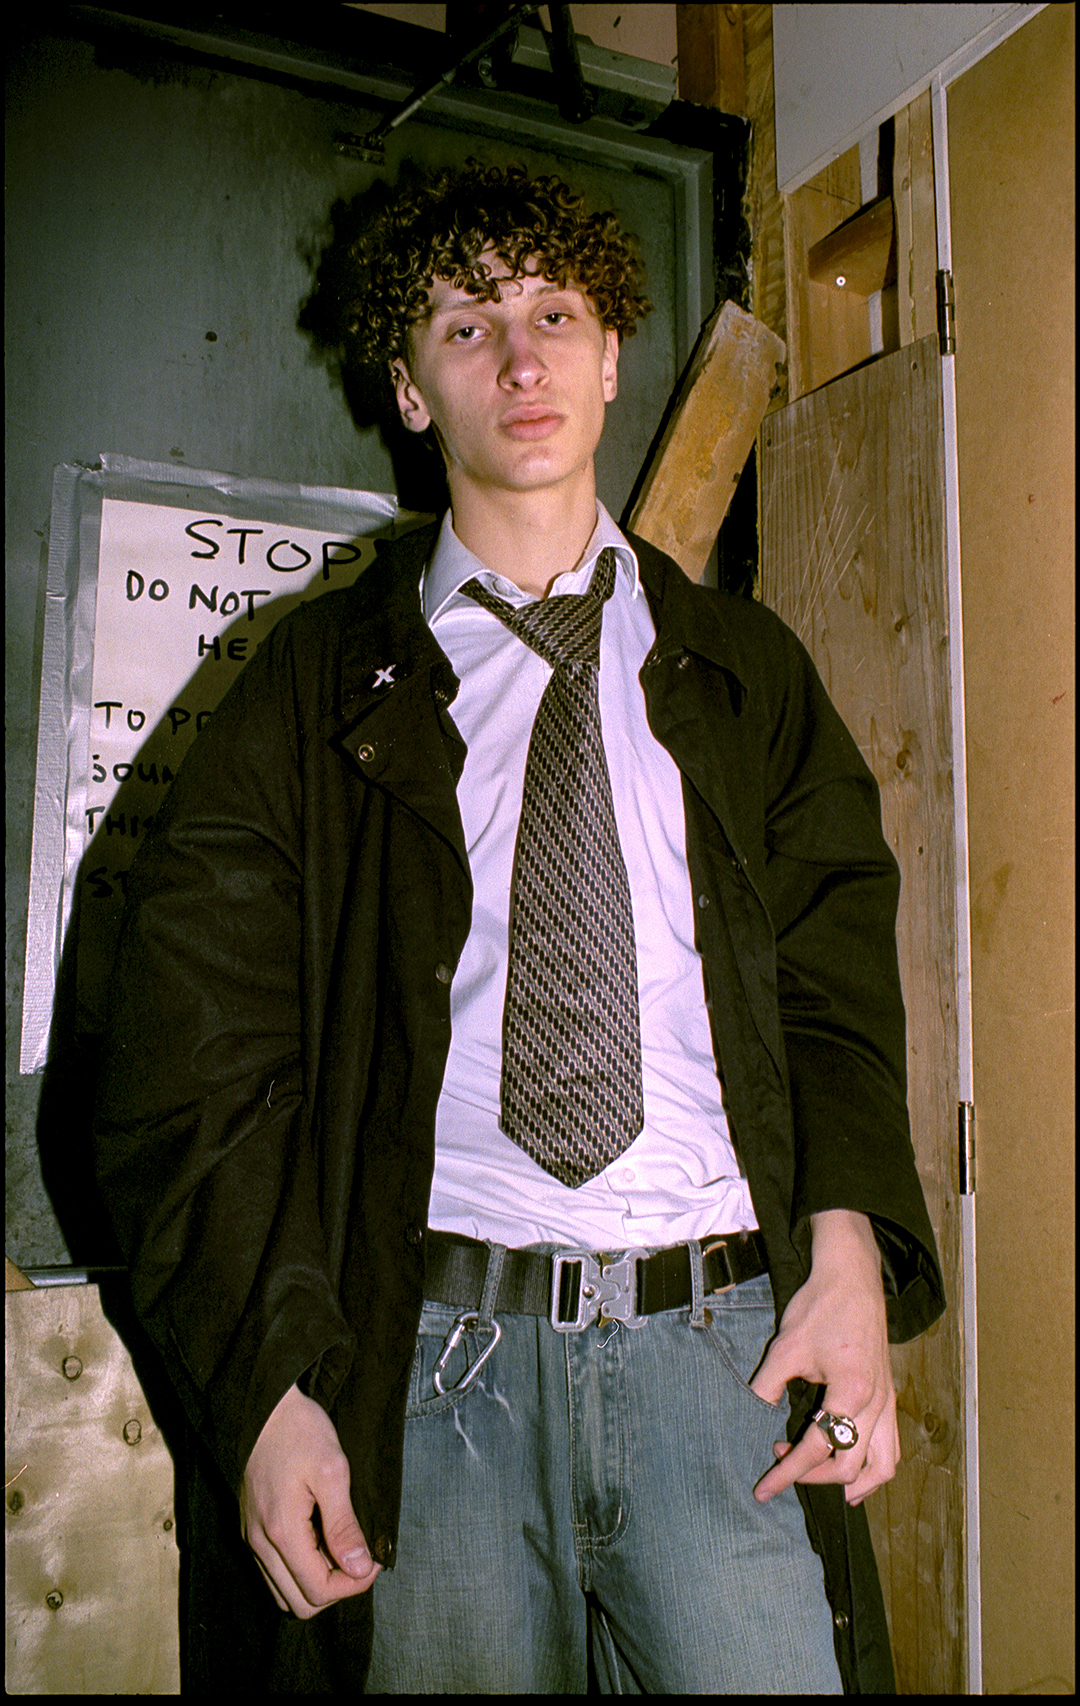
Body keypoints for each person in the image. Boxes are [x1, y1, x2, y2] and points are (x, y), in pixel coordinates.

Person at [93, 161, 945, 1693]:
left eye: (556, 313)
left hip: (725, 1361)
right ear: (411, 388)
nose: (523, 357)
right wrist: (268, 1384)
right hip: (438, 1386)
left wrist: (849, 1260)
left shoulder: (748, 677)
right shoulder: (304, 702)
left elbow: (834, 984)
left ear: (614, 356)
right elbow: (184, 1067)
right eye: (468, 325)